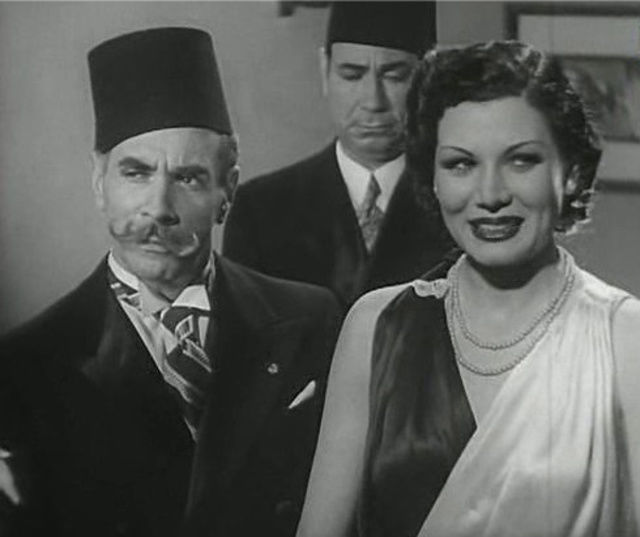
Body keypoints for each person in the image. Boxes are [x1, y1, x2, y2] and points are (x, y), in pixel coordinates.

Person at [0, 27, 340, 537]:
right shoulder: (27, 366)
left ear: (227, 191)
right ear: (99, 182)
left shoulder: (310, 319)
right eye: (136, 173)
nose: (159, 209)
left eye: (187, 178)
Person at [296, 41, 640, 537]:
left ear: (570, 174)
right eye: (461, 164)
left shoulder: (622, 337)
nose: (490, 194)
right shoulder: (377, 326)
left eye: (521, 161)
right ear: (433, 179)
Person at [223, 1, 450, 312]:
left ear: (428, 77)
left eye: (395, 76)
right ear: (324, 70)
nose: (373, 101)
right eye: (352, 75)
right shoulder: (260, 211)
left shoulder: (456, 201)